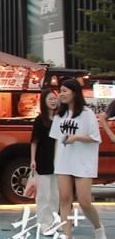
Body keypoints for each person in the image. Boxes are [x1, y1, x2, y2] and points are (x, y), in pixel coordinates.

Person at [49, 79, 106, 239]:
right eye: (60, 90)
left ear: (75, 93)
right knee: (64, 199)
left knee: (84, 201)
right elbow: (56, 140)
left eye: (65, 90)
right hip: (63, 161)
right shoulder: (60, 115)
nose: (61, 94)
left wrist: (76, 138)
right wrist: (56, 162)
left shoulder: (87, 114)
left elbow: (95, 137)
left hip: (83, 161)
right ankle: (67, 235)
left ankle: (98, 227)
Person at [30, 89, 59, 234]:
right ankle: (43, 223)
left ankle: (53, 222)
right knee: (43, 195)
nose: (53, 101)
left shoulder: (60, 118)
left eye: (55, 98)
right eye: (50, 99)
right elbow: (34, 142)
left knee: (55, 195)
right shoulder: (40, 120)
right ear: (44, 101)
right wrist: (33, 160)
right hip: (43, 161)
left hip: (58, 163)